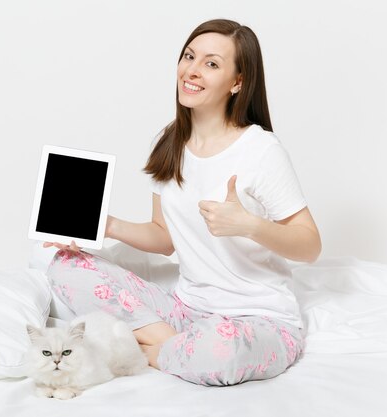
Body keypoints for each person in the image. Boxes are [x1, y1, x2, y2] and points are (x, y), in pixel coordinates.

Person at [43, 19, 321, 386]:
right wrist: (105, 225)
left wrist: (249, 225)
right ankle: (178, 347)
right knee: (63, 264)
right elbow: (164, 238)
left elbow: (310, 246)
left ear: (238, 82)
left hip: (258, 321)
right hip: (185, 312)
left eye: (211, 63)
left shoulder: (261, 149)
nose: (192, 70)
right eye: (189, 56)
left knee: (222, 350)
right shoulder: (171, 142)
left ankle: (150, 352)